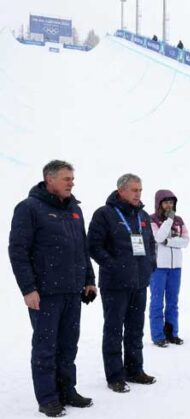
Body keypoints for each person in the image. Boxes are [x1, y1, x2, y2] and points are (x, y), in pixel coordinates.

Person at [9, 160, 96, 417]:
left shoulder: (75, 210)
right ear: (49, 180)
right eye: (66, 178)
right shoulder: (29, 208)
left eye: (72, 178)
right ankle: (47, 397)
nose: (72, 182)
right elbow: (18, 251)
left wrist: (89, 279)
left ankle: (67, 390)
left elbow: (82, 247)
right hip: (45, 293)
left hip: (71, 290)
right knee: (46, 347)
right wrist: (28, 288)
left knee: (69, 345)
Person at [87, 173, 157, 394]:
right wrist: (113, 265)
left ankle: (135, 369)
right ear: (121, 191)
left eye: (140, 190)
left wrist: (150, 265)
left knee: (136, 329)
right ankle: (115, 375)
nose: (138, 194)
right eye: (134, 190)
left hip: (139, 283)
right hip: (115, 284)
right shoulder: (105, 214)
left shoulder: (143, 215)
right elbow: (93, 246)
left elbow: (151, 243)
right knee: (114, 330)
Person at [149, 189, 189, 347]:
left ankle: (172, 333)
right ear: (159, 203)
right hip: (158, 267)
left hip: (176, 267)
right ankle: (158, 335)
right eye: (166, 202)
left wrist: (169, 241)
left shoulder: (179, 220)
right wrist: (168, 221)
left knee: (173, 302)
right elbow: (158, 237)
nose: (169, 205)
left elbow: (185, 241)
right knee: (157, 302)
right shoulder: (152, 219)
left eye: (171, 202)